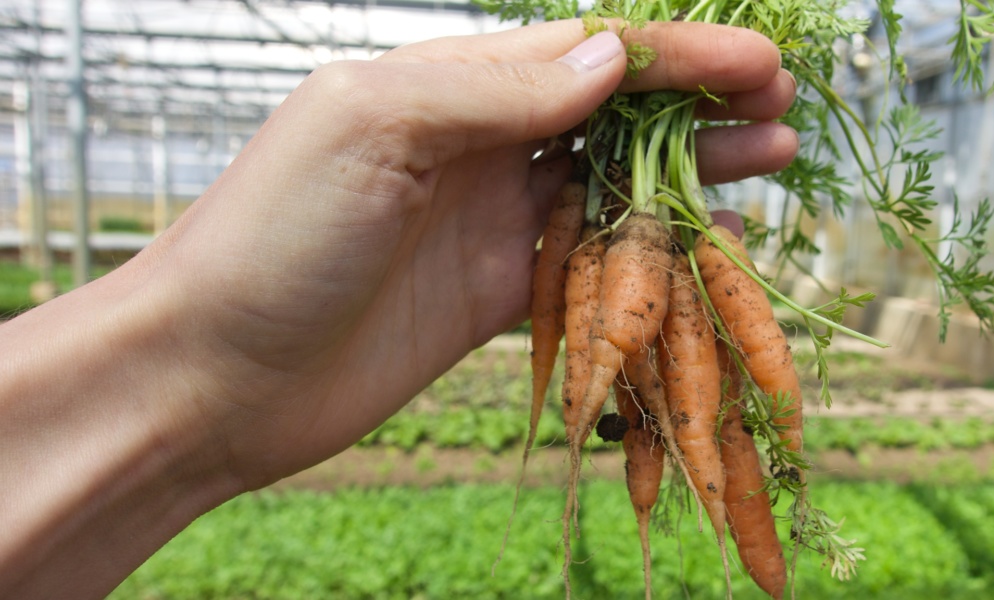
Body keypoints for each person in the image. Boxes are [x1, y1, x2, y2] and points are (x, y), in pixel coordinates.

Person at [0, 19, 798, 597]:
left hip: (630, 242)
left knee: (704, 414)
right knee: (686, 405)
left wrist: (192, 388)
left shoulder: (618, 254)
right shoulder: (596, 252)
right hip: (619, 241)